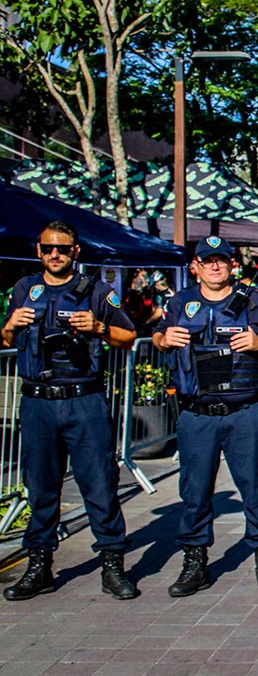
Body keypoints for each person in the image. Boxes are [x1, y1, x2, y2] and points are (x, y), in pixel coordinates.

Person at [1, 221, 140, 601]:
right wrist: (10, 326)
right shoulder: (24, 289)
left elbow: (128, 336)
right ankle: (39, 566)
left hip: (84, 401)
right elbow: (5, 338)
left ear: (76, 251)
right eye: (48, 248)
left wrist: (98, 327)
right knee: (40, 488)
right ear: (38, 250)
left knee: (99, 486)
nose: (55, 255)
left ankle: (113, 566)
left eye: (62, 248)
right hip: (38, 402)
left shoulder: (95, 291)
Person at [152, 236, 258, 597]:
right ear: (194, 267)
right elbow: (157, 336)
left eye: (221, 260)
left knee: (256, 489)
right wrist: (163, 338)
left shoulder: (254, 301)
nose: (215, 266)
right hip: (197, 414)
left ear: (232, 264)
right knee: (194, 493)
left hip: (243, 412)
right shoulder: (180, 302)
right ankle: (194, 563)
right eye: (207, 260)